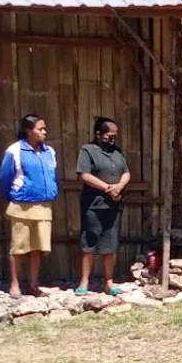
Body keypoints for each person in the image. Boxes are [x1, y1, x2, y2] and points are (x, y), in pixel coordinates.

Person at [0, 114, 59, 299]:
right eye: (40, 129)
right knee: (18, 247)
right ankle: (15, 284)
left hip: (43, 206)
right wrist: (13, 195)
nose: (44, 132)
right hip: (22, 205)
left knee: (37, 248)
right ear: (28, 131)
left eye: (44, 128)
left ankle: (33, 284)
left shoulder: (50, 151)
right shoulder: (15, 150)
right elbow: (5, 177)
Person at [76, 117, 131, 296]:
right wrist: (107, 188)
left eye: (115, 136)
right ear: (98, 134)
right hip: (94, 205)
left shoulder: (117, 152)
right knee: (90, 243)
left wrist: (119, 186)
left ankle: (108, 282)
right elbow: (84, 175)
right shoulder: (88, 150)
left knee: (110, 245)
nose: (112, 139)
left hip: (113, 206)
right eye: (109, 136)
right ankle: (84, 282)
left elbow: (126, 173)